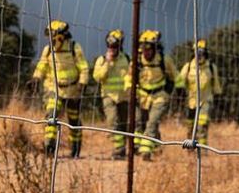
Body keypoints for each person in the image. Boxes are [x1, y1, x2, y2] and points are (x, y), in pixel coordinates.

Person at [33, 19, 87, 157]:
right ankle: (49, 146)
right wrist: (36, 78)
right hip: (53, 88)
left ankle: (75, 148)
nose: (52, 40)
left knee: (73, 119)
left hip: (72, 90)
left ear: (62, 36)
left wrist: (82, 83)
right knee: (52, 115)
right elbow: (42, 65)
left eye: (54, 37)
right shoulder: (48, 50)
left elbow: (83, 67)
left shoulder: (74, 48)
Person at [125, 29, 173, 158]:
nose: (146, 52)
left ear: (155, 48)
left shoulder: (164, 59)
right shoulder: (137, 61)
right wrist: (130, 89)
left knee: (152, 121)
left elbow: (175, 77)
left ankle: (145, 150)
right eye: (143, 49)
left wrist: (172, 91)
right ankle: (152, 146)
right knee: (140, 122)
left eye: (149, 49)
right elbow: (128, 78)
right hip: (141, 96)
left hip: (160, 96)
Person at [91, 30, 130, 159]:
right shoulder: (101, 60)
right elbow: (98, 77)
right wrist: (108, 63)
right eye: (109, 46)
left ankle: (122, 148)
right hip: (108, 96)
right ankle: (118, 149)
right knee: (113, 121)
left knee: (123, 124)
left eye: (114, 46)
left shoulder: (126, 59)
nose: (111, 49)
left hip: (124, 97)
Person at [176, 38, 223, 143]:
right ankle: (190, 147)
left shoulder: (211, 67)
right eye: (197, 52)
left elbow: (216, 85)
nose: (199, 55)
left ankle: (202, 149)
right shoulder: (188, 67)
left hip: (205, 101)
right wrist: (180, 94)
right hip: (191, 102)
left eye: (201, 52)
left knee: (202, 124)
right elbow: (180, 82)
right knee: (190, 127)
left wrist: (219, 98)